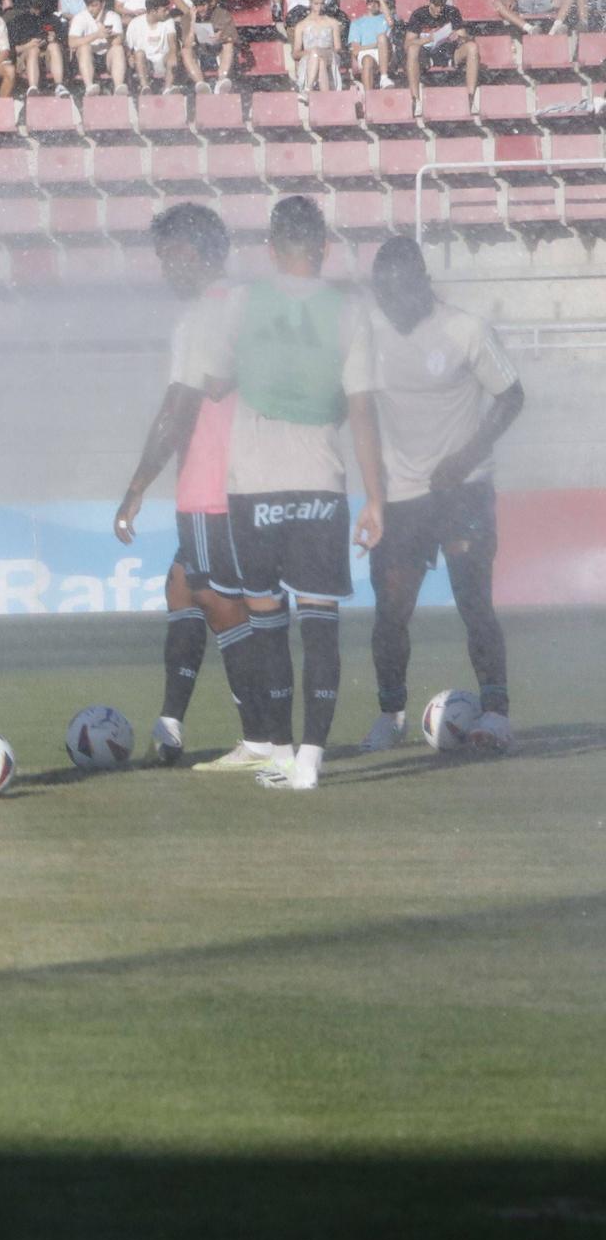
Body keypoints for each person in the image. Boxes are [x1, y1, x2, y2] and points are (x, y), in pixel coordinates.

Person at [199, 195, 387, 792]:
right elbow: (362, 412)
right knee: (321, 619)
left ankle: (278, 749)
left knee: (265, 619)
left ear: (271, 249)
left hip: (254, 481)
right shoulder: (350, 312)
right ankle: (308, 760)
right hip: (320, 479)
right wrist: (376, 499)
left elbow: (214, 380)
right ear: (325, 247)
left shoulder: (240, 304)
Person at [358, 238, 523, 754]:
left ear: (422, 283)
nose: (392, 302)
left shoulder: (465, 328)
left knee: (473, 601)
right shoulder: (366, 333)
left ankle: (495, 712)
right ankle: (391, 713)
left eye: (400, 291)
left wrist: (466, 457)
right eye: (382, 293)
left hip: (463, 490)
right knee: (390, 610)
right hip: (401, 495)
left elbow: (512, 395)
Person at [112, 204, 261, 767]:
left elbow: (178, 408)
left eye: (168, 257)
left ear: (193, 255)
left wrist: (136, 486)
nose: (164, 271)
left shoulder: (200, 317)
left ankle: (260, 737)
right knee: (183, 585)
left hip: (212, 485)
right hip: (255, 478)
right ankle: (171, 724)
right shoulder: (250, 303)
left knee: (220, 603)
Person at [404, 0, 479, 101]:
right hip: (426, 55)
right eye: (436, 6)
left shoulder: (452, 12)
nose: (439, 10)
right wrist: (428, 39)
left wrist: (458, 37)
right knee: (413, 50)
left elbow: (466, 38)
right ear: (429, 1)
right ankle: (415, 99)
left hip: (448, 53)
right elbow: (407, 44)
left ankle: (471, 96)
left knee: (472, 47)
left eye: (442, 6)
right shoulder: (419, 15)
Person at [66, 0, 125, 93]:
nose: (90, 9)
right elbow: (72, 43)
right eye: (88, 5)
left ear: (102, 4)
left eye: (94, 5)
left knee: (118, 49)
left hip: (107, 58)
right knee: (84, 48)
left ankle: (119, 86)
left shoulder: (113, 16)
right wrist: (96, 35)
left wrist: (107, 35)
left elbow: (119, 41)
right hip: (87, 58)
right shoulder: (80, 18)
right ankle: (89, 86)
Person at [126, 0, 183, 91]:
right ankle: (145, 88)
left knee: (172, 54)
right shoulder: (135, 23)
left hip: (163, 60)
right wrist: (130, 56)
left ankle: (167, 89)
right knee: (139, 54)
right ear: (153, 11)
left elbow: (172, 41)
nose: (168, 12)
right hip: (145, 63)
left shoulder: (168, 21)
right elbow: (128, 48)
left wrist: (173, 54)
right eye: (164, 10)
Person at [184, 0, 235, 92]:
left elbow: (231, 37)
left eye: (203, 4)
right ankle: (201, 84)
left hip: (217, 52)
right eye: (198, 5)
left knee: (228, 44)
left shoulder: (222, 14)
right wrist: (193, 23)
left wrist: (220, 36)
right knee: (185, 51)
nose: (201, 8)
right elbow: (187, 44)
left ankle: (222, 81)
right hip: (199, 54)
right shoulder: (187, 17)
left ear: (210, 3)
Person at [289, 0, 340, 93]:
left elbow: (338, 48)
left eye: (322, 3)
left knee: (318, 54)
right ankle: (325, 96)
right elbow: (295, 53)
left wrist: (319, 50)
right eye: (316, 3)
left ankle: (308, 89)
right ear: (310, 3)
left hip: (330, 55)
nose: (319, 7)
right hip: (310, 58)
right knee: (319, 60)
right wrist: (313, 52)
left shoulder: (332, 22)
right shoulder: (301, 25)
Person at [346, 0, 390, 89]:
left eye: (377, 1)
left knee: (382, 37)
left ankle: (384, 78)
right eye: (370, 1)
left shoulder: (385, 18)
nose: (373, 4)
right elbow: (356, 50)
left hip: (385, 53)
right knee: (367, 60)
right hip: (368, 53)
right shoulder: (357, 23)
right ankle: (368, 96)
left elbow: (391, 23)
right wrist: (377, 44)